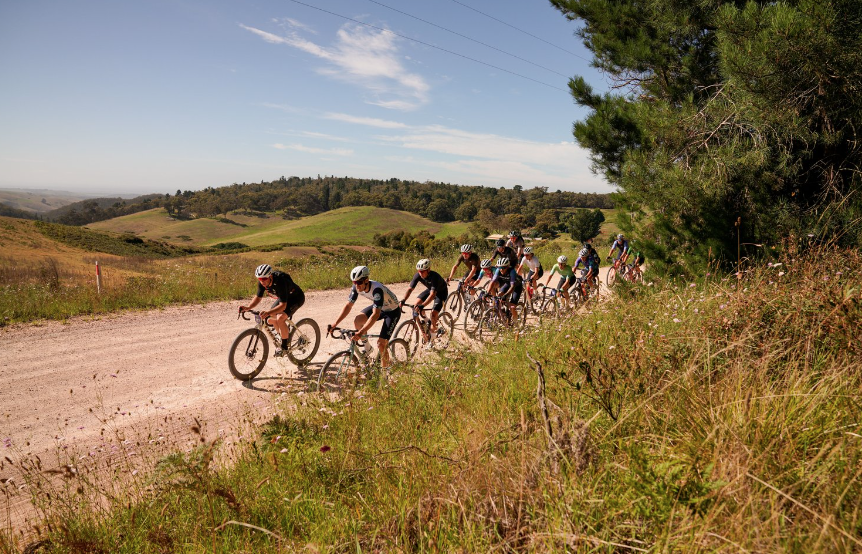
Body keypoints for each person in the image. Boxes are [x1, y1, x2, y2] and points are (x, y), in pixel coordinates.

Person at [329, 266, 401, 368]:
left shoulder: (377, 290)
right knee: (358, 320)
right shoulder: (356, 287)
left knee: (381, 344)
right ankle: (368, 349)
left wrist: (361, 332)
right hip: (380, 306)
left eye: (359, 282)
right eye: (354, 282)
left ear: (366, 280)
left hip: (392, 311)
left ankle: (385, 375)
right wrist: (335, 323)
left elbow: (375, 315)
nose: (357, 285)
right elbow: (348, 306)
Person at [239, 264, 305, 357]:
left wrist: (268, 312)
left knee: (280, 318)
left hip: (296, 298)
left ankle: (284, 346)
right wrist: (248, 307)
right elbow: (258, 297)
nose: (262, 281)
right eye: (260, 279)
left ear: (270, 276)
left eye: (264, 279)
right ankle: (284, 336)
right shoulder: (263, 282)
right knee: (270, 319)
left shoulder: (280, 282)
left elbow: (283, 306)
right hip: (283, 298)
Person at [401, 258, 449, 335]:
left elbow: (433, 295)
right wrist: (403, 300)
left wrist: (422, 305)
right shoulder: (418, 275)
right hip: (431, 290)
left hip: (441, 293)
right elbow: (410, 289)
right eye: (419, 271)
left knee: (433, 315)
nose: (420, 273)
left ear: (428, 269)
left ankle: (434, 334)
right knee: (416, 305)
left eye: (422, 271)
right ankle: (427, 321)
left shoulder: (434, 277)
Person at [488, 257, 523, 322]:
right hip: (508, 283)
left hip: (517, 286)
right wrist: (487, 293)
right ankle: (504, 311)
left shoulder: (512, 271)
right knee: (499, 294)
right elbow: (492, 282)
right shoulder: (498, 270)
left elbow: (512, 287)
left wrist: (506, 295)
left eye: (503, 268)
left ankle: (516, 323)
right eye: (500, 268)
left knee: (512, 307)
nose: (501, 270)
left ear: (507, 267)